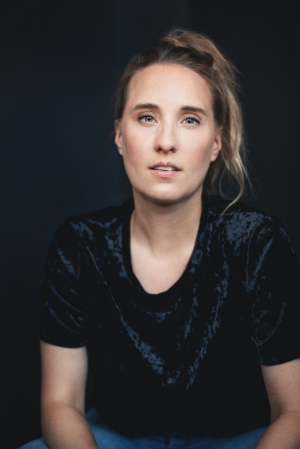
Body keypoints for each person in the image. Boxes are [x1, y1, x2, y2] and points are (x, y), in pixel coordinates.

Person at [20, 29, 300, 449]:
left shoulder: (254, 241)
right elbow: (61, 403)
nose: (165, 142)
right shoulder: (79, 245)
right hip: (114, 439)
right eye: (146, 117)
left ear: (215, 144)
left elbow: (293, 412)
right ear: (119, 135)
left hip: (239, 441)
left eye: (190, 120)